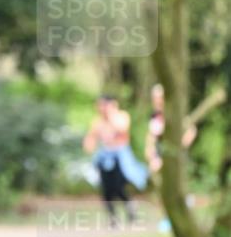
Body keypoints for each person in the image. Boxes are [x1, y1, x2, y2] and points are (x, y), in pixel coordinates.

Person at [83, 95, 148, 227]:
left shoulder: (121, 116)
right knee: (106, 190)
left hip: (120, 156)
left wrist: (111, 114)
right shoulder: (97, 121)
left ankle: (132, 213)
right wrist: (89, 145)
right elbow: (91, 137)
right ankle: (113, 218)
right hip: (104, 156)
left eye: (103, 105)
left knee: (119, 187)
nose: (100, 108)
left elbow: (122, 129)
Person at [145, 83, 197, 175]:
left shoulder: (175, 114)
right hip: (159, 154)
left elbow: (192, 130)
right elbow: (151, 138)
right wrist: (149, 151)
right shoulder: (154, 117)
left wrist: (180, 145)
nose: (156, 101)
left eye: (158, 98)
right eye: (154, 98)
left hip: (174, 154)